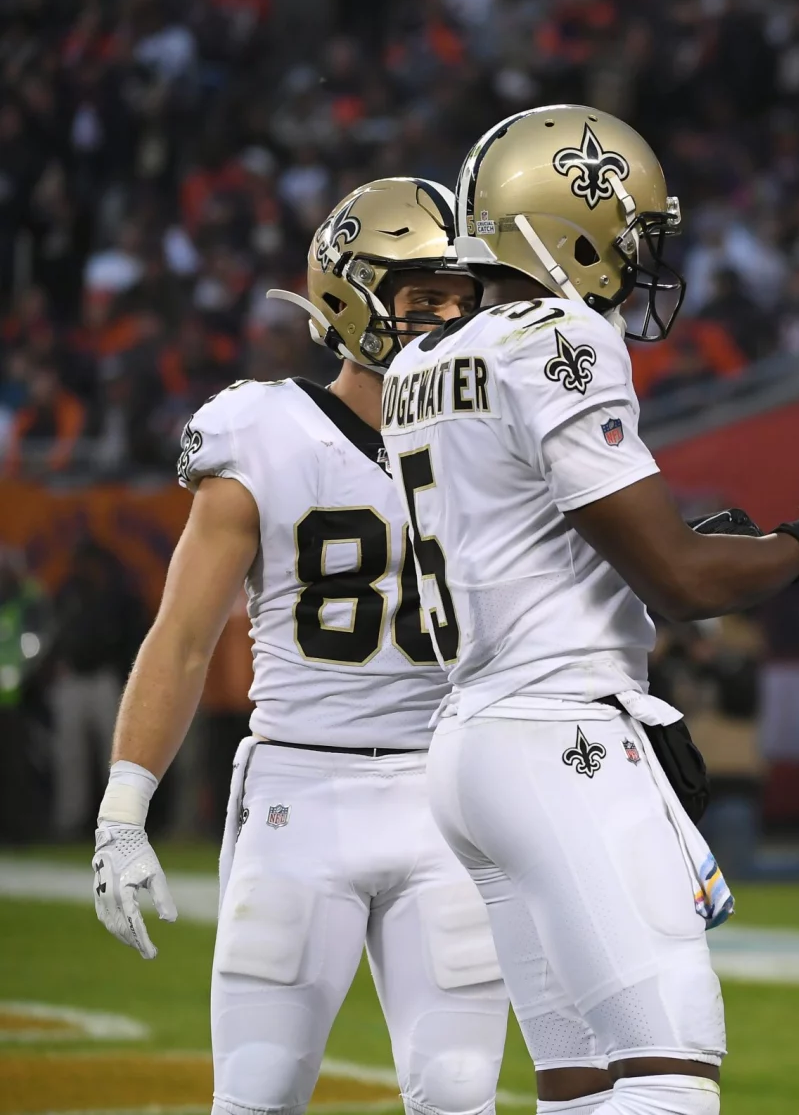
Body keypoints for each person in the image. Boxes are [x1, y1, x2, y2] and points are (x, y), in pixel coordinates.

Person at [379, 104, 799, 1115]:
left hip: (471, 744)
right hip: (558, 737)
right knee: (668, 1062)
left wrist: (742, 542)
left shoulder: (417, 364)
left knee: (580, 1079)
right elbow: (682, 584)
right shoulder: (560, 334)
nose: (638, 254)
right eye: (630, 228)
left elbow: (550, 539)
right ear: (566, 219)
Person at [89, 178, 522, 1115]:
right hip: (301, 792)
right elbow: (184, 635)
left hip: (448, 795)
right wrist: (127, 806)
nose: (446, 319)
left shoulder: (495, 434)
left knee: (458, 1098)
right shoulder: (262, 430)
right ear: (348, 302)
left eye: (459, 297)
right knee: (259, 1093)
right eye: (421, 299)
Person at [49, 538, 145, 839]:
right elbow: (51, 631)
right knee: (70, 756)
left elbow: (134, 638)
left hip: (105, 680)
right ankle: (71, 821)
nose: (83, 568)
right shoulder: (67, 592)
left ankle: (119, 821)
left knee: (115, 754)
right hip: (73, 679)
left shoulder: (118, 595)